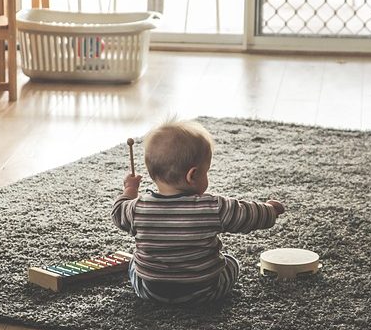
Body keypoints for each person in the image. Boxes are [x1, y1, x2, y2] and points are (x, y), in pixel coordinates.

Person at [111, 119, 285, 305]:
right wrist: (270, 210)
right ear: (192, 175)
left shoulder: (137, 209)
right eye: (206, 172)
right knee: (231, 263)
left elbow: (118, 212)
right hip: (203, 291)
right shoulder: (213, 207)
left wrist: (130, 190)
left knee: (133, 262)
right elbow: (247, 215)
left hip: (151, 291)